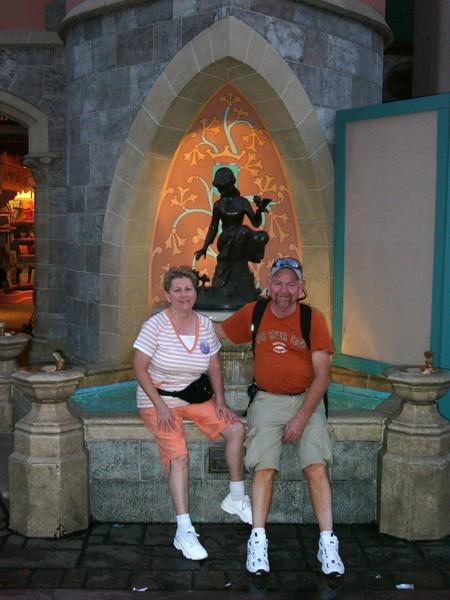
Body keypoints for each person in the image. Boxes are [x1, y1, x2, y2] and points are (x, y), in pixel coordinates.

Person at [216, 257, 345, 577]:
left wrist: (301, 418)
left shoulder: (311, 318)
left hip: (307, 401)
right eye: (278, 282)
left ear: (301, 288)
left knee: (316, 467)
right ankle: (257, 541)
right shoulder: (255, 312)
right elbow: (216, 332)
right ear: (268, 285)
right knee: (264, 468)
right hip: (267, 400)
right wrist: (177, 324)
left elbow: (322, 376)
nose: (284, 290)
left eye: (291, 283)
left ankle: (328, 543)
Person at [133, 265, 252, 561]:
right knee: (180, 456)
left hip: (192, 397)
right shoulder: (156, 325)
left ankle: (236, 498)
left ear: (195, 293)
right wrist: (160, 406)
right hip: (158, 399)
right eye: (178, 290)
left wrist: (221, 402)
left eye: (189, 289)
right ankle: (183, 530)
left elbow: (213, 366)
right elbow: (138, 366)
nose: (184, 295)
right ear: (168, 295)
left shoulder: (205, 324)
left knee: (236, 429)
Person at [194, 167, 270, 302]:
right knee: (244, 230)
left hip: (241, 240)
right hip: (225, 240)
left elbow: (256, 223)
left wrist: (259, 211)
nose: (221, 191)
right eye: (219, 188)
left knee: (261, 235)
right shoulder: (219, 205)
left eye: (223, 187)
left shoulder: (242, 202)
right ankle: (226, 272)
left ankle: (232, 277)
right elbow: (213, 227)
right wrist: (205, 247)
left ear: (231, 183)